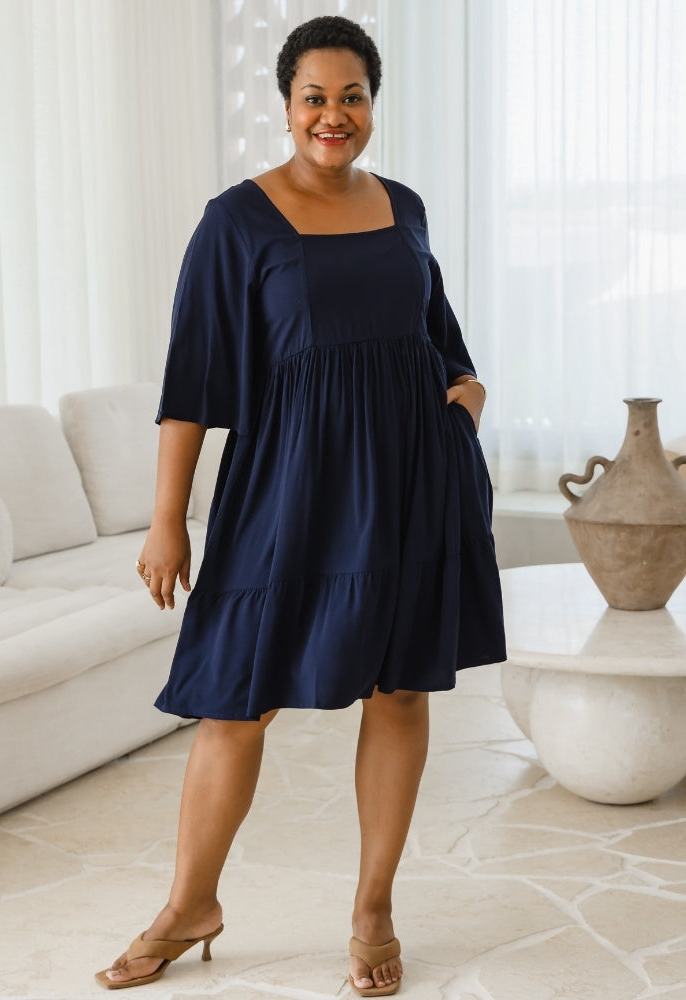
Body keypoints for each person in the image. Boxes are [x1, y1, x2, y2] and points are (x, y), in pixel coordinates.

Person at [95, 14, 505, 997]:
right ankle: (190, 901)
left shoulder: (403, 207)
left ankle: (373, 908)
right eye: (314, 97)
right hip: (286, 492)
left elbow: (438, 333)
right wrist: (165, 519)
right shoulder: (235, 222)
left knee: (401, 687)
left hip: (409, 484)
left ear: (373, 103)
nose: (334, 115)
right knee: (235, 698)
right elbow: (192, 381)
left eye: (351, 96)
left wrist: (470, 389)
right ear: (285, 106)